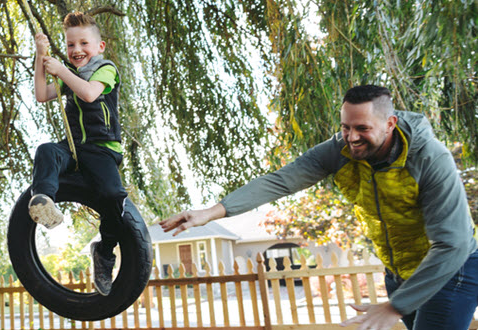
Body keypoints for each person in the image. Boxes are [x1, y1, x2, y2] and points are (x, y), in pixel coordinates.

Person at [160, 85, 478, 330]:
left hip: (454, 267)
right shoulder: (339, 150)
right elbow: (281, 180)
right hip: (401, 270)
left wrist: (393, 307)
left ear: (390, 123)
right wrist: (212, 212)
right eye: (345, 127)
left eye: (362, 129)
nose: (351, 138)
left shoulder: (429, 159)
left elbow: (453, 244)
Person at [29, 12, 126, 296]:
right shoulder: (69, 75)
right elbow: (40, 94)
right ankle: (43, 201)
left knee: (112, 197)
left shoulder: (106, 70)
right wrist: (40, 56)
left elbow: (88, 94)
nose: (77, 50)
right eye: (71, 45)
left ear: (100, 47)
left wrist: (61, 71)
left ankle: (104, 251)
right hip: (73, 149)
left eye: (84, 43)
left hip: (101, 149)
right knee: (47, 151)